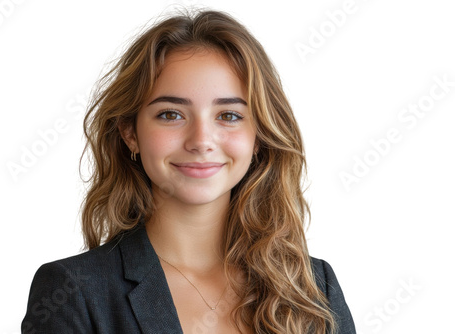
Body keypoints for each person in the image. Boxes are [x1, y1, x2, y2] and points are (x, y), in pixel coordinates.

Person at [21, 9, 356, 334]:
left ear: (259, 137)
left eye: (229, 115)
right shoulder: (72, 292)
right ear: (130, 133)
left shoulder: (314, 287)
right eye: (171, 114)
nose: (201, 141)